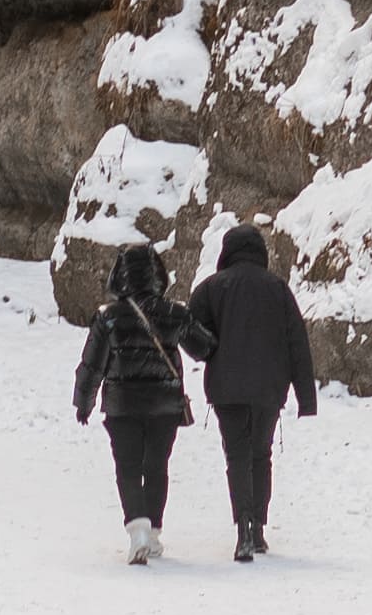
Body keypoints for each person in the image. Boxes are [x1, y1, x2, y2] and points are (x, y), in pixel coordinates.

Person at [180, 219, 319, 562]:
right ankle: (258, 529)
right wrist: (305, 397)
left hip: (227, 388)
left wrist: (209, 352)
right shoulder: (278, 288)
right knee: (262, 454)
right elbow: (297, 343)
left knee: (237, 456)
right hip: (269, 389)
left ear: (227, 251)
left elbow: (187, 330)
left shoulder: (211, 288)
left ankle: (242, 526)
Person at [72, 235, 194, 562]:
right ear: (157, 273)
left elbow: (92, 364)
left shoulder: (108, 316)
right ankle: (153, 533)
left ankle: (137, 530)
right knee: (157, 466)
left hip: (122, 405)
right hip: (165, 405)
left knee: (127, 466)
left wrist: (83, 402)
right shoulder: (173, 312)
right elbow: (204, 346)